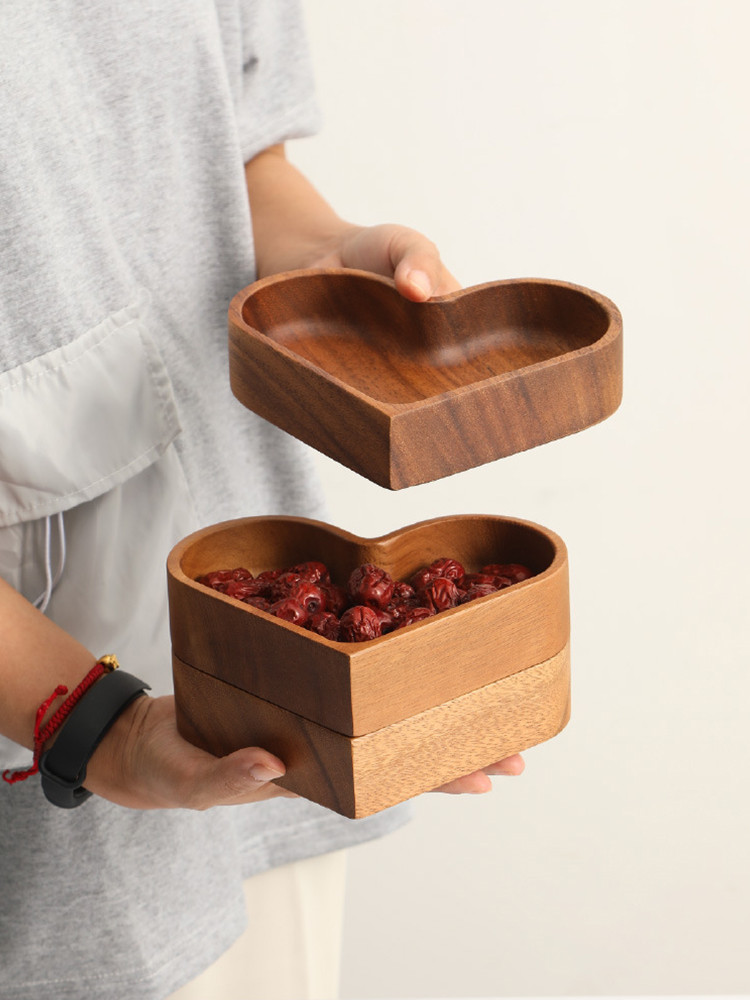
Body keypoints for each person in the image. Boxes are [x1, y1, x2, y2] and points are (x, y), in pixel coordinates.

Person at [0, 3, 523, 998]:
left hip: (260, 742)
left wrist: (327, 259)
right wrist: (97, 728)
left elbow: (234, 152)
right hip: (49, 791)